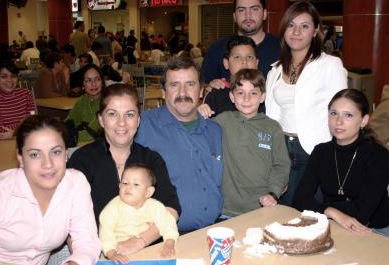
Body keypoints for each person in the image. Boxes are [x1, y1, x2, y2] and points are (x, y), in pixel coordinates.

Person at [0, 115, 100, 265]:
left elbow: (87, 244)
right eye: (35, 154)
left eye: (56, 152)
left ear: (66, 154)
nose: (48, 164)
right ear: (20, 158)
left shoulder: (75, 184)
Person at [68, 84, 181, 254]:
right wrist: (88, 258)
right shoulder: (82, 160)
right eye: (112, 114)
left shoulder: (151, 159)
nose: (121, 123)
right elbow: (68, 220)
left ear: (138, 120)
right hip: (97, 255)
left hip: (149, 252)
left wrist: (140, 241)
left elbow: (171, 208)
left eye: (129, 115)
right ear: (100, 119)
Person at [265, 1, 347, 206]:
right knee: (280, 209)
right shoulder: (274, 69)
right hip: (280, 147)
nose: (296, 32)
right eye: (291, 25)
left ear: (316, 30)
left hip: (312, 148)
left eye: (304, 26)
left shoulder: (329, 65)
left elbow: (342, 111)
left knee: (307, 210)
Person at [135, 57, 223, 232]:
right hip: (161, 238)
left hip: (213, 231)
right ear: (163, 92)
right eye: (174, 85)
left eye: (190, 84)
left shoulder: (215, 131)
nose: (183, 92)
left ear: (201, 92)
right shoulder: (142, 126)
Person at [293, 89, 389, 236]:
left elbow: (361, 213)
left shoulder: (378, 155)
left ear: (364, 120)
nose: (338, 121)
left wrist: (322, 208)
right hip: (333, 223)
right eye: (334, 113)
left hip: (375, 230)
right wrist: (331, 211)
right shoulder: (321, 152)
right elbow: (299, 199)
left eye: (348, 115)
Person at [199, 69, 290, 216]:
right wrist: (199, 113)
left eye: (253, 93)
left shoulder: (273, 127)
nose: (247, 99)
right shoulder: (222, 121)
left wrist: (273, 193)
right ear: (232, 97)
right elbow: (195, 133)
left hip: (262, 208)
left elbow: (281, 165)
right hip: (224, 209)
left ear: (263, 97)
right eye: (240, 93)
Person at [99, 164, 179, 263]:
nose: (128, 187)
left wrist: (169, 243)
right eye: (124, 183)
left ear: (148, 192)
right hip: (115, 253)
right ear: (119, 186)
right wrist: (112, 254)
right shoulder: (111, 209)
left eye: (136, 184)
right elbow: (105, 234)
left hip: (142, 251)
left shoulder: (155, 206)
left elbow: (167, 223)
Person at [202, 0, 280, 85]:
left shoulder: (281, 49)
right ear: (234, 16)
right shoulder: (217, 49)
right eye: (241, 10)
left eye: (254, 9)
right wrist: (209, 87)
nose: (248, 15)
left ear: (264, 14)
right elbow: (203, 85)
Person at [203, 35, 259, 116]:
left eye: (249, 57)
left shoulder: (264, 93)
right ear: (226, 63)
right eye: (237, 57)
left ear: (257, 63)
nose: (244, 62)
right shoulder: (215, 95)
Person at [0, 61, 36, 141]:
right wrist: (22, 123)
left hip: (22, 140)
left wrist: (14, 130)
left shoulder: (26, 94)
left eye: (13, 76)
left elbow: (33, 123)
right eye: (4, 76)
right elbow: (2, 134)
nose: (9, 80)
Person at [65, 64, 103, 143]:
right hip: (83, 143)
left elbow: (92, 133)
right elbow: (71, 121)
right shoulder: (83, 99)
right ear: (82, 85)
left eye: (97, 79)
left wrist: (68, 137)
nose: (93, 84)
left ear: (102, 81)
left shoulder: (107, 101)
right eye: (88, 80)